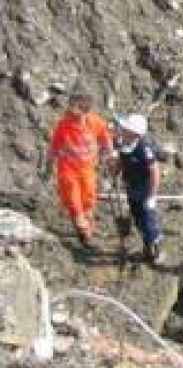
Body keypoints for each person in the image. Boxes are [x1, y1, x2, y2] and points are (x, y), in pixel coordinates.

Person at [47, 90, 114, 250]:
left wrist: (109, 156)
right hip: (68, 172)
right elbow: (54, 147)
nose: (73, 116)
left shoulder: (96, 122)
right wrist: (48, 164)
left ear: (87, 111)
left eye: (77, 114)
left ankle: (88, 226)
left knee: (89, 201)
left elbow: (106, 141)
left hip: (88, 170)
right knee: (74, 203)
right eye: (71, 111)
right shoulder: (63, 125)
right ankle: (85, 235)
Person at [112, 114, 163, 263]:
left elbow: (155, 171)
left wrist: (152, 195)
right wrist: (115, 173)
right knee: (137, 216)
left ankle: (154, 250)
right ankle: (146, 244)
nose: (122, 130)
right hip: (131, 185)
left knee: (147, 218)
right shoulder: (123, 143)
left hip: (144, 187)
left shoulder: (144, 148)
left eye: (126, 128)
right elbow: (122, 160)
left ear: (134, 133)